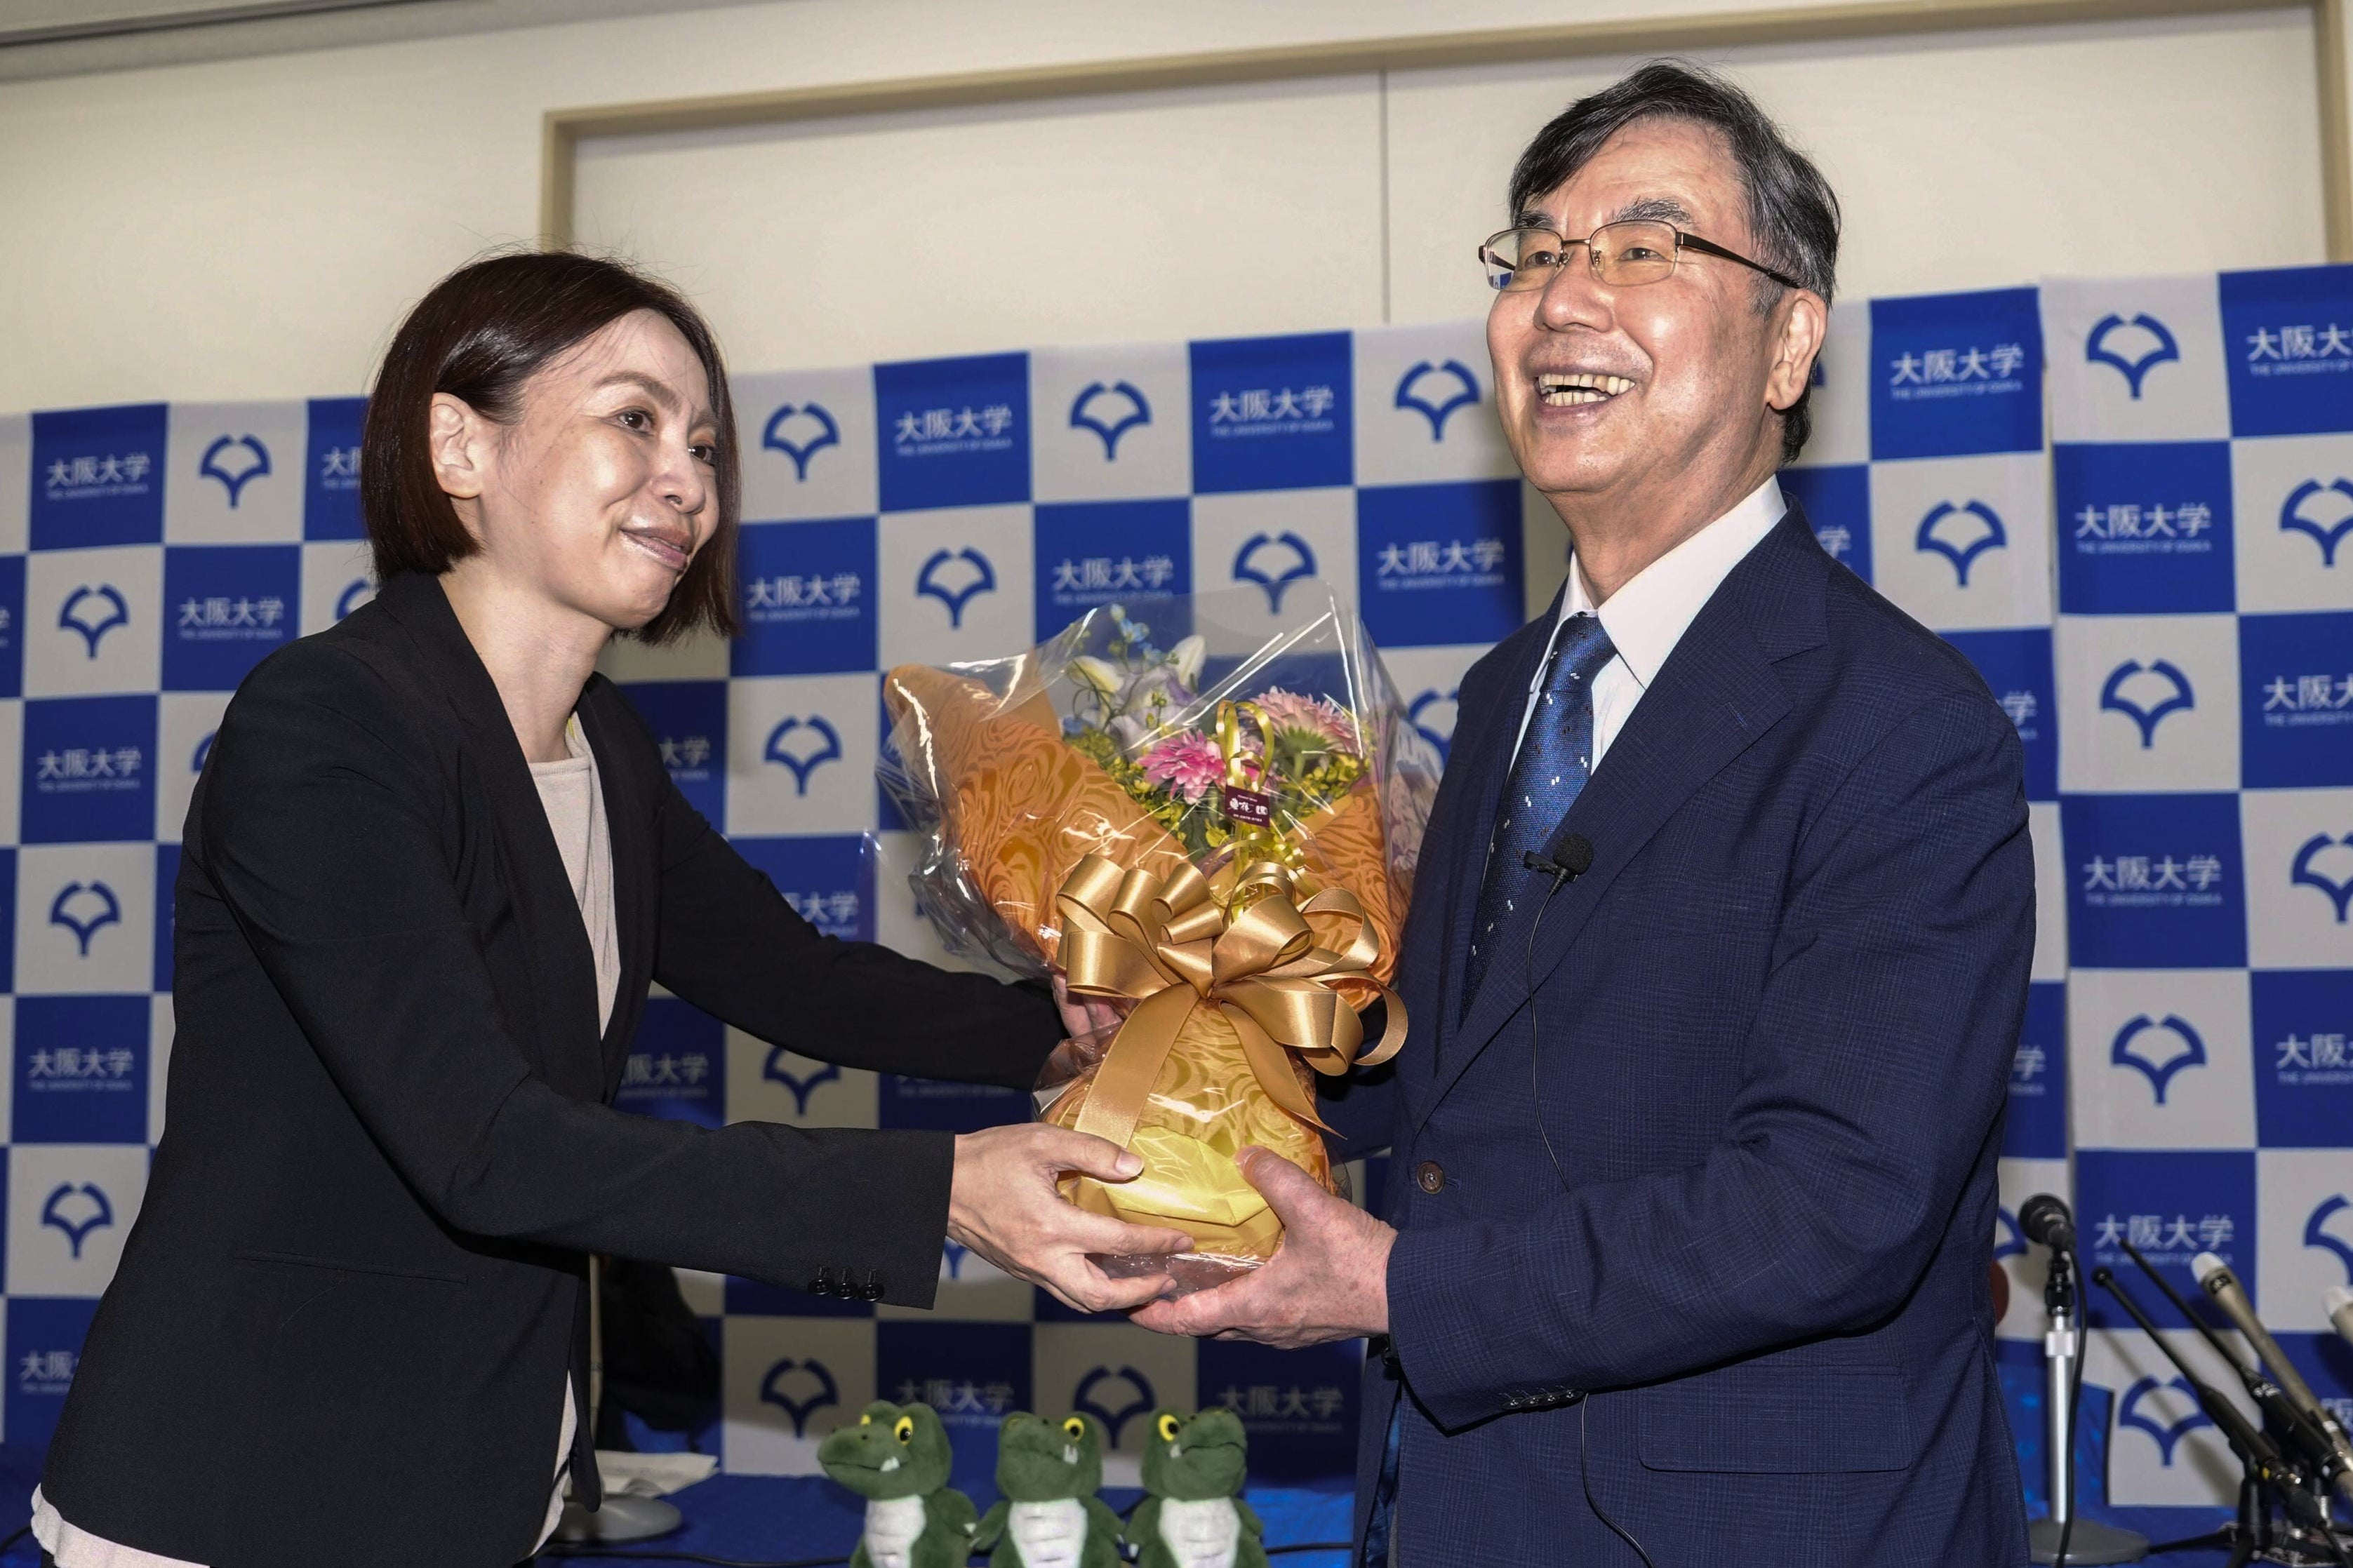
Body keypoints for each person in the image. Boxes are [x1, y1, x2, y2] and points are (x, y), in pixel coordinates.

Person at [33, 251, 1185, 1568]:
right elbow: (488, 1148)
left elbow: (793, 980)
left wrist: (1058, 1034)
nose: (688, 476)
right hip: (244, 1483)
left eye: (703, 440)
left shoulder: (601, 746)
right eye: (633, 418)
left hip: (477, 1476)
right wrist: (941, 1189)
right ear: (458, 447)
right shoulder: (327, 724)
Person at [1135, 62, 2035, 1567]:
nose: (1566, 296)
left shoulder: (1901, 724)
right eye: (1538, 251)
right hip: (1469, 1513)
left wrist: (1399, 1290)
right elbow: (1461, 1082)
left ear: (1788, 339)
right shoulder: (1503, 693)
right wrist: (1186, 1047)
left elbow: (1837, 1200)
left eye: (1644, 246)